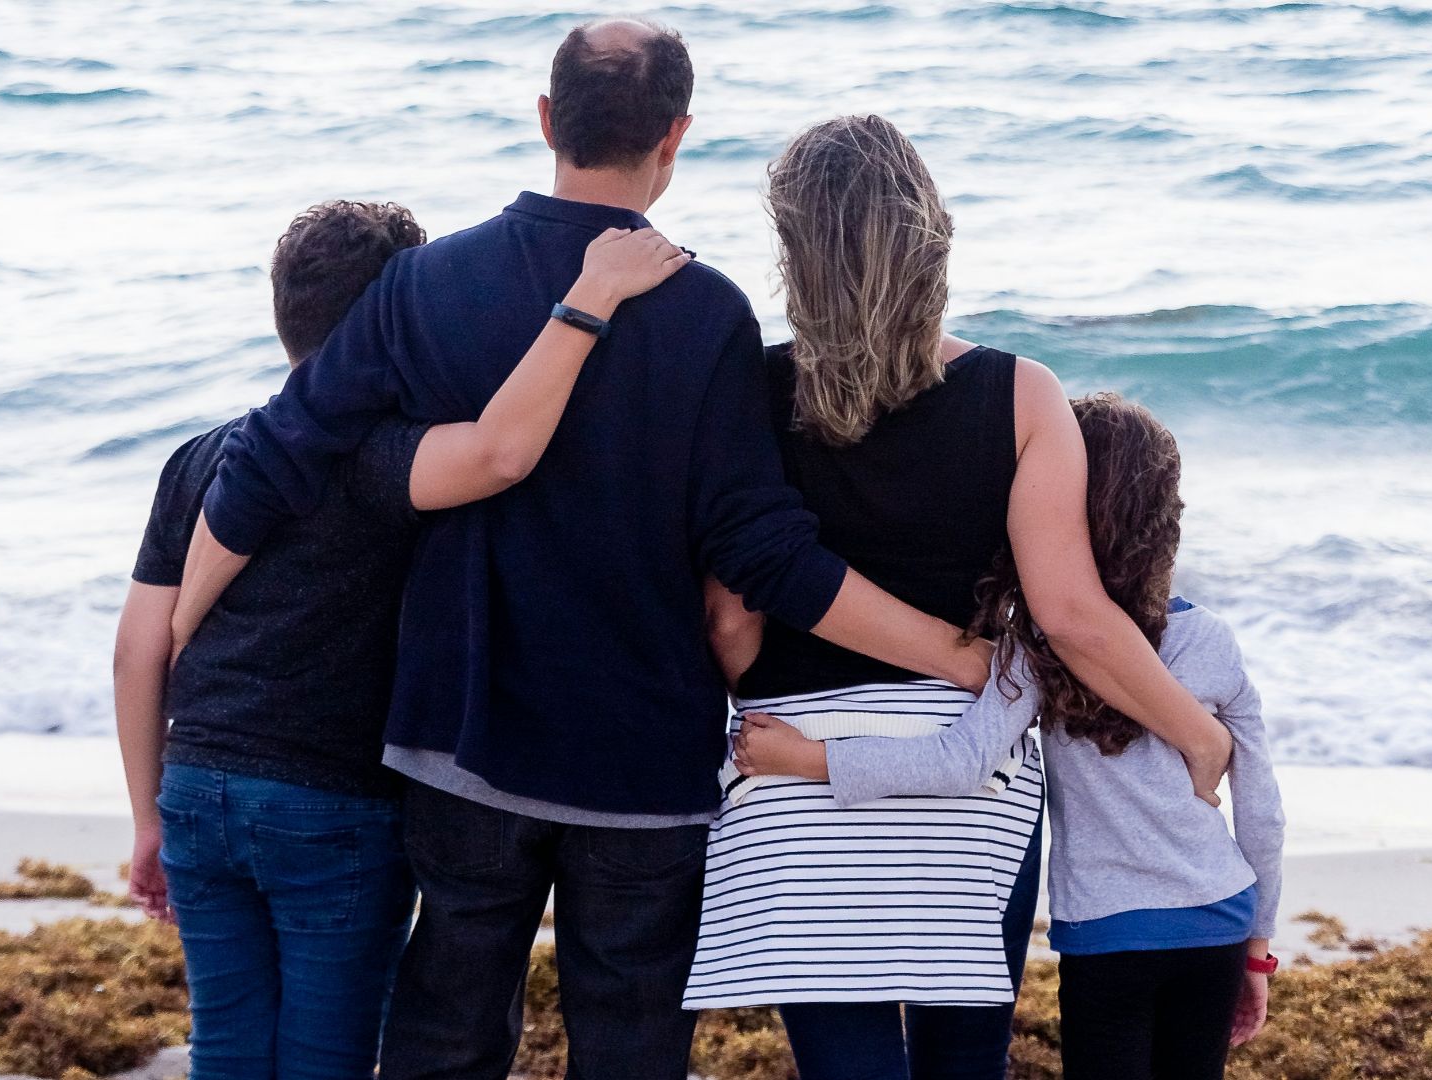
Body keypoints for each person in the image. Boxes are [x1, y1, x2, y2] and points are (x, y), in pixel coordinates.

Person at [167, 20, 993, 1080]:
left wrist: (183, 626)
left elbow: (278, 455)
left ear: (548, 119)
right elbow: (764, 553)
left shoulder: (427, 285)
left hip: (460, 739)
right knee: (633, 1044)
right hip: (642, 762)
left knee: (445, 1036)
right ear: (677, 136)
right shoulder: (707, 315)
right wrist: (950, 651)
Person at [682, 116, 1238, 1080]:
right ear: (931, 233)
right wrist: (1197, 734)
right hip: (967, 781)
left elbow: (730, 622)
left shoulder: (749, 392)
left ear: (794, 252)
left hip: (796, 779)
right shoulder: (1023, 394)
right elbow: (1072, 618)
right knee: (965, 1059)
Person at [114, 201, 690, 1079]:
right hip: (333, 803)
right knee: (329, 1055)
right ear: (399, 318)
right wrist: (590, 301)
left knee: (226, 1045)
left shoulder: (201, 457)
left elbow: (136, 650)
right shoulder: (386, 460)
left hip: (198, 786)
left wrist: (146, 813)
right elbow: (503, 451)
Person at [736, 394, 1288, 1080]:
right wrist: (1259, 948)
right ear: (1164, 517)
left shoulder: (1036, 643)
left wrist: (809, 758)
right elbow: (1261, 810)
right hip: (1220, 921)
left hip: (1109, 936)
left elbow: (960, 762)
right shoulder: (1211, 640)